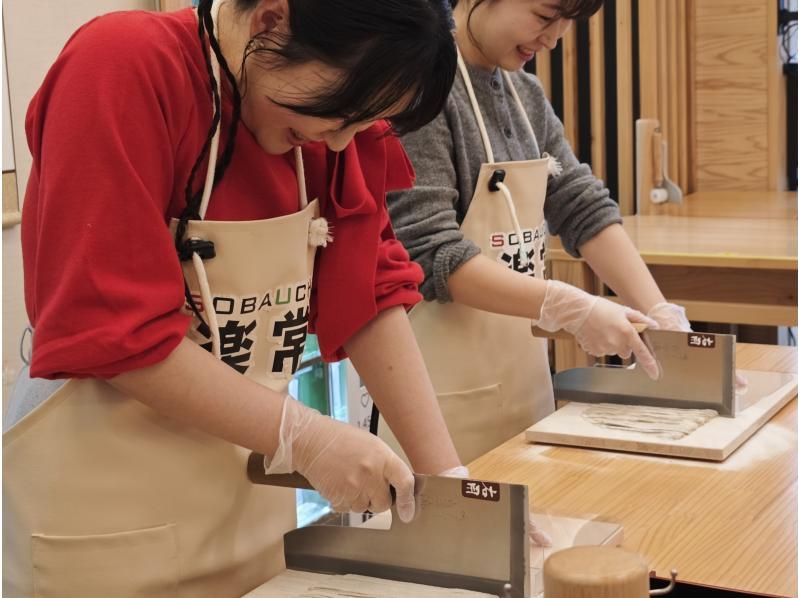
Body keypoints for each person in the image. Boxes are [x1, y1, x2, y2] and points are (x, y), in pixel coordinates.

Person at [3, 1, 467, 595]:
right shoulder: (126, 63)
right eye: (339, 115)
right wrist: (306, 437)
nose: (342, 139)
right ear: (271, 20)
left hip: (243, 512)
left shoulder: (325, 121)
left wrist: (448, 481)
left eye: (361, 123)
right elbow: (114, 329)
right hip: (101, 514)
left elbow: (370, 287)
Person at [378, 0, 693, 464]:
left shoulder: (524, 95)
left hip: (526, 390)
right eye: (545, 16)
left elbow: (579, 203)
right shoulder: (419, 93)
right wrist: (566, 305)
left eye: (567, 23)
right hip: (441, 404)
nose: (554, 37)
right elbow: (432, 252)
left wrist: (657, 310)